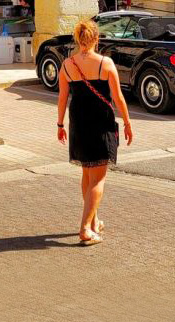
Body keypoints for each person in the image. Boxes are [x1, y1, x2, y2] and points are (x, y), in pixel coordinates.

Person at [57, 18, 133, 245]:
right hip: (101, 123)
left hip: (78, 122)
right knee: (98, 179)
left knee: (87, 174)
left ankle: (94, 220)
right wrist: (128, 123)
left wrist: (60, 125)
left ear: (78, 39)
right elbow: (118, 98)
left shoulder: (67, 65)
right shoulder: (105, 64)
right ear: (96, 39)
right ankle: (85, 229)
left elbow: (62, 98)